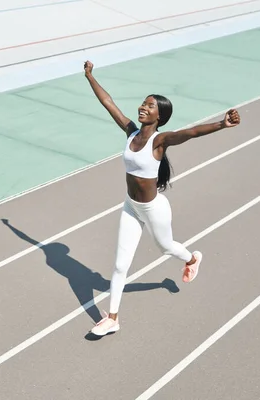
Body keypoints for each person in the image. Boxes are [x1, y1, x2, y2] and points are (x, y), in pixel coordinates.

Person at [83, 60, 241, 336]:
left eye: (150, 105)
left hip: (153, 208)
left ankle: (191, 259)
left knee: (166, 247)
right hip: (131, 207)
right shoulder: (130, 131)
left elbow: (189, 133)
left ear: (160, 116)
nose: (143, 107)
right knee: (120, 265)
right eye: (143, 103)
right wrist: (89, 77)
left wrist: (222, 124)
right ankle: (113, 318)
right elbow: (108, 103)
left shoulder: (160, 140)